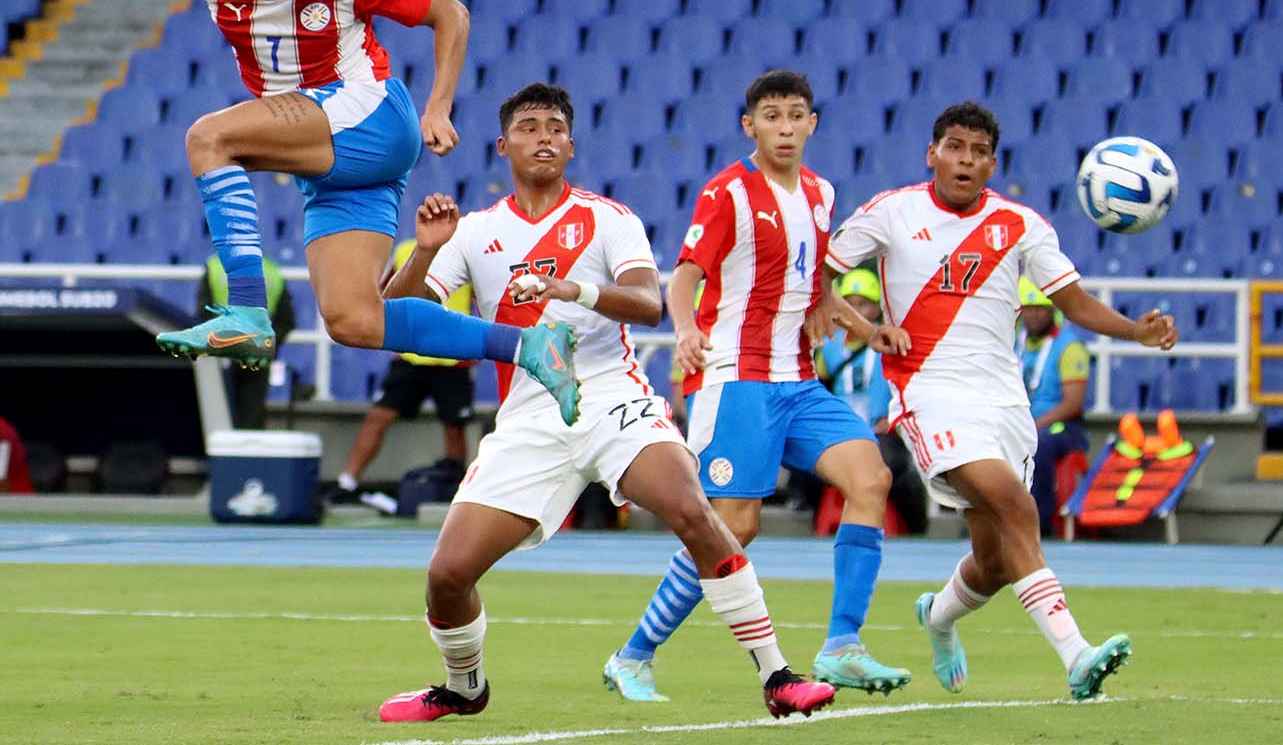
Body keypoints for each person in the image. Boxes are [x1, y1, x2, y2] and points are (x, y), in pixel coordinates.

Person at [376, 83, 835, 722]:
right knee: (448, 576)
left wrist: (570, 289)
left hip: (613, 397)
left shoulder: (608, 218)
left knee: (691, 507)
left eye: (556, 127)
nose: (544, 137)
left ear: (570, 143)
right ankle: (464, 687)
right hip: (531, 415)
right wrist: (425, 249)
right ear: (503, 145)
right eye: (530, 127)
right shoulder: (472, 231)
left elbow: (649, 303)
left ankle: (777, 674)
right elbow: (393, 319)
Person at [147, 0, 579, 425]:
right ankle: (531, 349)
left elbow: (450, 12)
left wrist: (438, 106)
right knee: (354, 321)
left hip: (368, 115)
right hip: (334, 161)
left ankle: (248, 311)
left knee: (208, 138)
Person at [819, 101, 1178, 701]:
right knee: (1017, 507)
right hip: (928, 396)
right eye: (954, 147)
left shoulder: (1022, 225)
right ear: (931, 153)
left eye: (979, 151)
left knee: (994, 561)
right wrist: (867, 327)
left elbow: (1076, 303)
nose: (965, 159)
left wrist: (1134, 332)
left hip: (1002, 403)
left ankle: (938, 617)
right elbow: (821, 278)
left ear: (992, 163)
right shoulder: (892, 212)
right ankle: (1076, 656)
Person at [605, 71, 910, 702]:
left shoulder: (822, 194)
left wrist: (863, 325)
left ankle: (842, 646)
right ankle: (633, 655)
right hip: (737, 378)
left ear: (813, 123)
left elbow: (816, 283)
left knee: (871, 478)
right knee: (733, 527)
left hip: (799, 382)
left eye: (797, 115)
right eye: (772, 116)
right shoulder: (727, 193)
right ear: (750, 126)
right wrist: (686, 330)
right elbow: (685, 276)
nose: (786, 127)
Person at [331, 237, 475, 507]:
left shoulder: (467, 251)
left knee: (455, 427)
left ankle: (456, 491)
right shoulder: (406, 250)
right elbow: (386, 293)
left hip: (454, 355)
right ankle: (347, 483)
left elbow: (483, 295)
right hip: (412, 352)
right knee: (378, 415)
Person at [814, 268, 929, 534]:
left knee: (894, 466)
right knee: (808, 467)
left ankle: (916, 525)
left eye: (863, 305)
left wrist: (892, 418)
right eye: (849, 305)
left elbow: (908, 382)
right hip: (841, 429)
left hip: (882, 428)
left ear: (877, 308)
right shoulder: (829, 342)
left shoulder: (888, 341)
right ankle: (815, 526)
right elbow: (820, 385)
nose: (855, 312)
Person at [1016, 277, 1092, 534]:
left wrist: (1033, 426)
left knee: (1039, 444)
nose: (1033, 316)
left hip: (1062, 428)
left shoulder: (1069, 347)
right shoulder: (1015, 343)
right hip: (1022, 421)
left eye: (1040, 309)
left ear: (1052, 311)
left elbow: (1073, 404)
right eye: (1028, 309)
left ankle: (1039, 523)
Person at [197, 252, 297, 429]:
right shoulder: (271, 271)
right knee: (252, 418)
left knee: (219, 417)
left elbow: (203, 315)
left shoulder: (214, 267)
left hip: (221, 355)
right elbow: (287, 321)